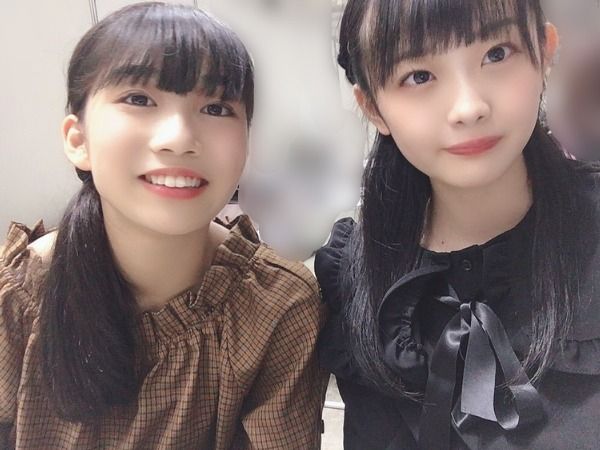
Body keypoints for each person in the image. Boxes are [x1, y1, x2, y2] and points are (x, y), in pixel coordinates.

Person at [0, 3, 326, 449]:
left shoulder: (276, 307)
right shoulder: (15, 300)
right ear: (78, 140)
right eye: (139, 99)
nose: (179, 138)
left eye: (216, 107)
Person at [315, 0, 600, 449]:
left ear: (545, 51)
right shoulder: (353, 277)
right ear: (372, 107)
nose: (468, 107)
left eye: (496, 54)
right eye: (419, 76)